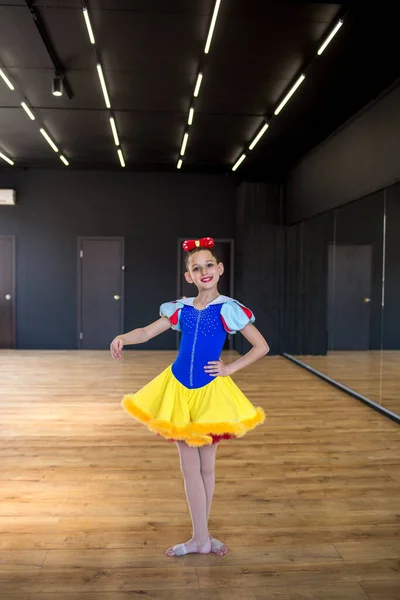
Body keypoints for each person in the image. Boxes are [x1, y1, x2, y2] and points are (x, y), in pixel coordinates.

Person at [110, 236, 269, 557]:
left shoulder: (229, 309)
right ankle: (202, 538)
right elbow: (147, 331)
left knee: (206, 469)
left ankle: (201, 538)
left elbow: (262, 346)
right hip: (178, 389)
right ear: (189, 277)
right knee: (190, 468)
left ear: (220, 269)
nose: (204, 271)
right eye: (196, 268)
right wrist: (123, 337)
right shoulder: (180, 309)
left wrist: (230, 369)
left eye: (209, 264)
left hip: (210, 393)